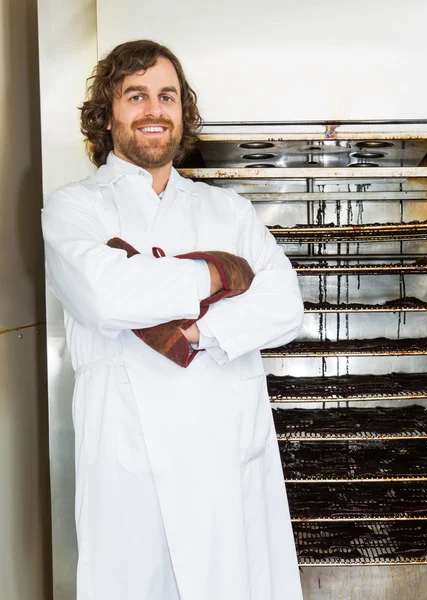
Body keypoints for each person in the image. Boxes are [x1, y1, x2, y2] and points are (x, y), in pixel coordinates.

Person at [42, 39, 305, 600]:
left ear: (182, 112)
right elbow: (105, 296)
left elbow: (284, 306)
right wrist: (218, 275)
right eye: (135, 96)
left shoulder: (226, 209)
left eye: (167, 96)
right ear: (107, 116)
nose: (153, 110)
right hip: (128, 462)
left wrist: (196, 332)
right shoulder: (74, 208)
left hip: (223, 456)